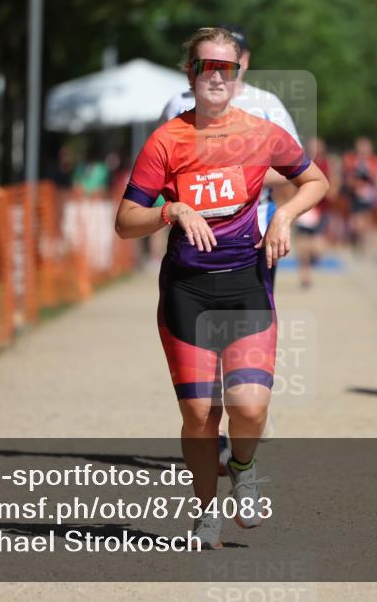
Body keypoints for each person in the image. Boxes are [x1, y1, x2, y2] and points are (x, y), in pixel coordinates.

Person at [115, 28, 328, 549]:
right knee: (199, 413)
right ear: (190, 73)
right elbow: (125, 221)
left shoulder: (262, 131)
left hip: (245, 281)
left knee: (250, 406)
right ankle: (206, 512)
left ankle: (245, 466)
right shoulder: (166, 140)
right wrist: (171, 209)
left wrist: (282, 221)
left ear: (239, 74)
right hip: (188, 289)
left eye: (225, 68)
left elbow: (316, 181)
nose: (215, 75)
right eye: (204, 66)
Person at [160, 24, 302, 474]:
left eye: (230, 60)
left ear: (244, 60)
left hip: (254, 241)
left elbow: (298, 168)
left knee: (240, 332)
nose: (220, 70)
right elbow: (159, 171)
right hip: (194, 250)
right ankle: (219, 427)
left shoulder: (266, 106)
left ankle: (246, 409)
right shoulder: (176, 106)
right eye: (208, 63)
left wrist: (243, 179)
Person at [294, 137, 332, 288]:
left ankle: (313, 257)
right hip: (304, 208)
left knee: (317, 248)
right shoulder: (301, 163)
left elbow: (333, 184)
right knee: (302, 245)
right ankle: (306, 277)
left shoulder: (327, 164)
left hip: (321, 209)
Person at [341, 137, 377, 248]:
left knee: (365, 218)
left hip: (368, 194)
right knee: (356, 219)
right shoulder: (351, 158)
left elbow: (375, 177)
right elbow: (347, 176)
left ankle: (361, 238)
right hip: (354, 193)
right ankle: (355, 237)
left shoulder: (374, 161)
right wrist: (356, 185)